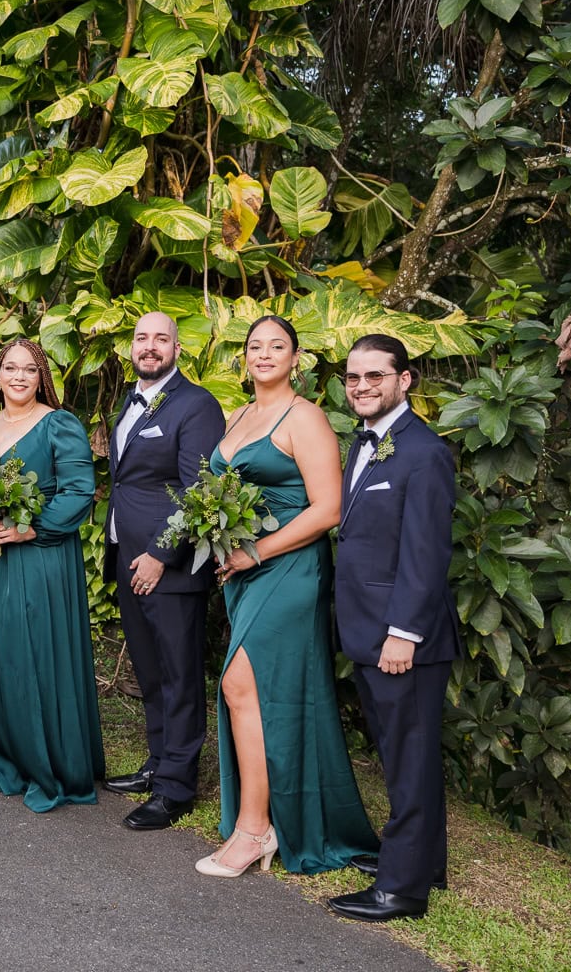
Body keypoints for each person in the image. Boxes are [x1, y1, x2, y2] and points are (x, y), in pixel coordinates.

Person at [195, 315, 378, 878]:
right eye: (255, 346)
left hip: (290, 567)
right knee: (254, 689)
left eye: (277, 346)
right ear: (244, 357)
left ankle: (255, 830)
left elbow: (327, 510)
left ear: (297, 359)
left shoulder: (308, 418)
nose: (264, 353)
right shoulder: (241, 414)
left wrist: (257, 551)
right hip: (245, 570)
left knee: (238, 681)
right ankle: (265, 818)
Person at [328, 334, 462, 922]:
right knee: (400, 753)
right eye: (353, 377)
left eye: (375, 376)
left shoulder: (424, 451)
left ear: (404, 380)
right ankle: (423, 860)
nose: (361, 386)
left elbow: (426, 554)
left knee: (407, 760)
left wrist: (403, 633)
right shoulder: (368, 443)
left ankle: (400, 889)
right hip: (367, 627)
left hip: (401, 635)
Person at [0, 338, 105, 812]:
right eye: (10, 369)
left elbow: (80, 491)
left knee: (33, 654)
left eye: (29, 370)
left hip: (38, 557)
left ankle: (46, 760)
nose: (18, 377)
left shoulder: (59, 424)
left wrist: (29, 529)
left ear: (42, 377)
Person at [103, 311, 225, 830]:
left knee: (178, 675)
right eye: (141, 338)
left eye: (161, 339)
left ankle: (177, 787)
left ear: (178, 348)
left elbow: (199, 490)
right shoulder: (128, 402)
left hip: (167, 565)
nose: (149, 347)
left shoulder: (196, 405)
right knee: (150, 671)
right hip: (128, 558)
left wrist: (160, 553)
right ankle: (158, 761)